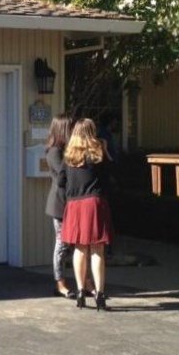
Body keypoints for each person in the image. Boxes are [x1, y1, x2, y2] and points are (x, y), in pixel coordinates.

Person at [61, 118, 113, 311]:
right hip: (94, 202)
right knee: (97, 249)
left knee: (80, 248)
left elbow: (61, 182)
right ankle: (99, 294)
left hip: (75, 204)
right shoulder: (98, 153)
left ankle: (81, 292)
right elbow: (109, 175)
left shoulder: (69, 156)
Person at [43, 113, 74, 298]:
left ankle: (85, 281)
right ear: (62, 129)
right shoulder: (54, 151)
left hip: (73, 202)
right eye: (70, 128)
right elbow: (63, 177)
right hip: (60, 204)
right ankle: (60, 283)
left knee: (78, 244)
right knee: (62, 244)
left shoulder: (68, 150)